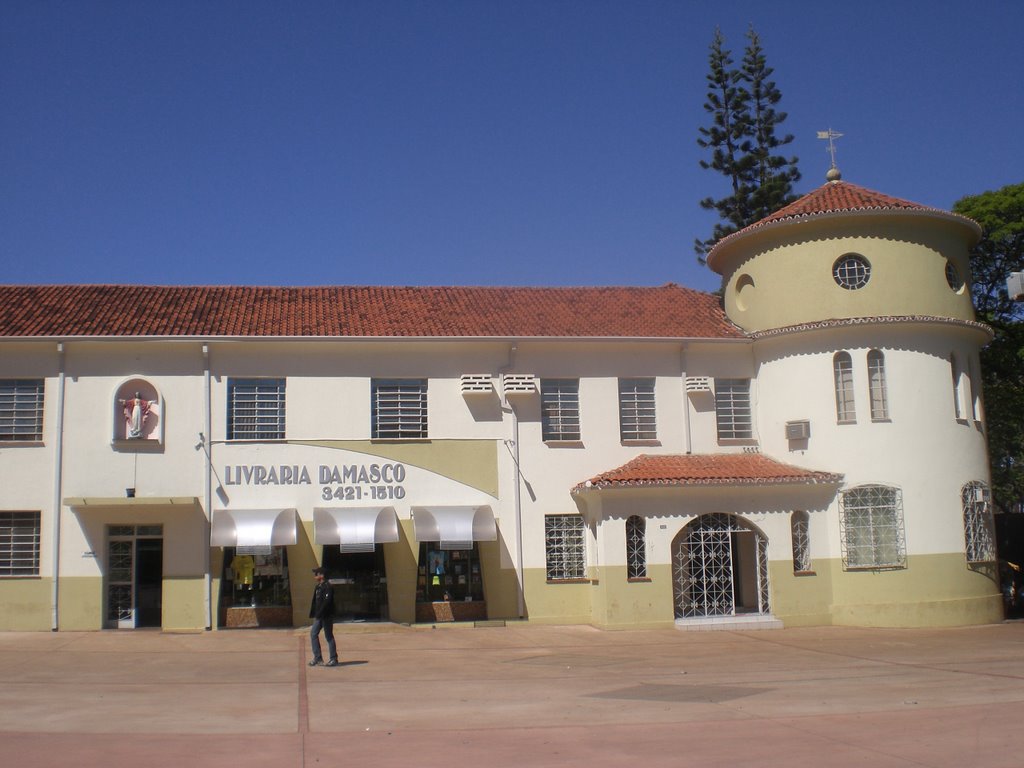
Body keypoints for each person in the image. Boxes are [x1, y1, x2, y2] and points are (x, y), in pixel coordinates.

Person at [308, 567, 338, 667]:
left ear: (322, 575)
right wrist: (315, 613)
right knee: (313, 634)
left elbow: (327, 601)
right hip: (318, 616)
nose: (315, 576)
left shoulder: (328, 586)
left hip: (326, 615)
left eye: (316, 574)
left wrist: (320, 612)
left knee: (328, 636)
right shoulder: (318, 587)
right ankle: (318, 658)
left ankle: (333, 659)